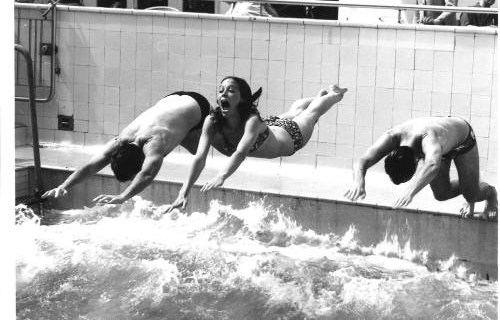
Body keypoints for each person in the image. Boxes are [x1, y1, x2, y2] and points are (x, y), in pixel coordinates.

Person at [164, 77, 347, 213]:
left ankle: (335, 94)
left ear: (242, 98)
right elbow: (199, 157)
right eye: (221, 91)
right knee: (296, 109)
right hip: (272, 125)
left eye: (230, 90)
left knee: (311, 113)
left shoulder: (251, 120)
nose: (223, 94)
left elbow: (240, 153)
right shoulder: (212, 121)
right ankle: (318, 96)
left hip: (291, 136)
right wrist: (183, 192)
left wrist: (222, 175)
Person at [41, 91, 211, 205]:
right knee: (194, 148)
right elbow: (92, 165)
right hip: (172, 99)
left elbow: (147, 174)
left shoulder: (154, 144)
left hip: (199, 105)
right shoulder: (121, 141)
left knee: (221, 146)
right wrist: (64, 186)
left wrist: (122, 197)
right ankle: (183, 130)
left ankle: (189, 128)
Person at [345, 117, 497, 220]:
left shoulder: (428, 140)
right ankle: (469, 183)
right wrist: (358, 182)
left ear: (417, 161)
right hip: (440, 147)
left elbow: (432, 165)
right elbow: (362, 161)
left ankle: (490, 193)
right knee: (441, 194)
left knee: (471, 195)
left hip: (463, 139)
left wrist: (410, 191)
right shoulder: (392, 137)